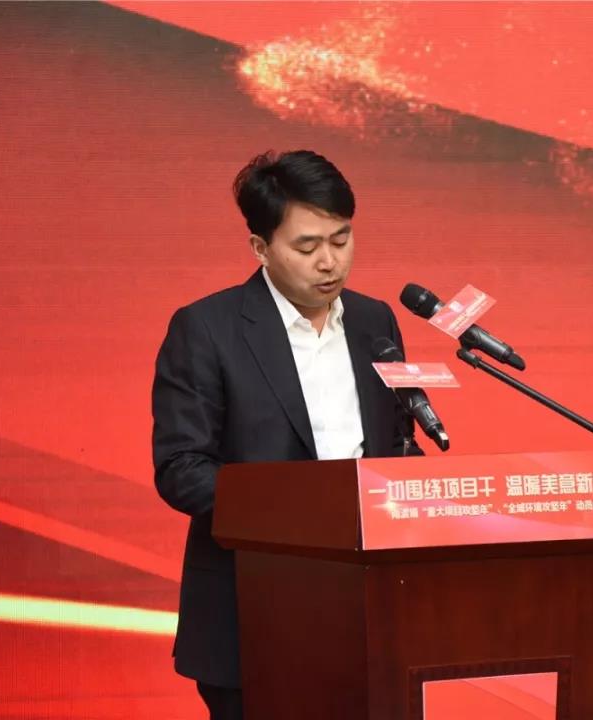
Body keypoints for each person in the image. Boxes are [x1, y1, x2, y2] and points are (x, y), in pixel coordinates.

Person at [151, 149, 422, 720]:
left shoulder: (375, 321)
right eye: (307, 247)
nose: (329, 262)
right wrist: (307, 510)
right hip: (253, 609)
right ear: (260, 247)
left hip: (370, 611)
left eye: (342, 240)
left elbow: (397, 442)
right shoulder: (207, 329)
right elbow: (182, 470)